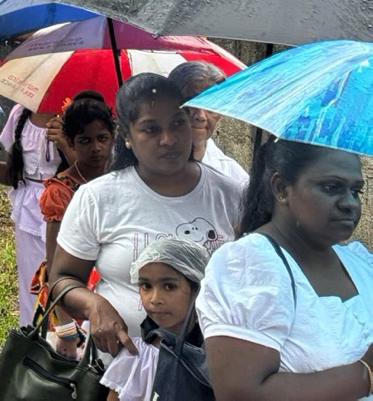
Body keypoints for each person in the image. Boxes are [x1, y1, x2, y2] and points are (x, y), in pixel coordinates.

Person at [50, 73, 244, 358]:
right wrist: (94, 305)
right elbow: (62, 279)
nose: (168, 139)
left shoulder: (233, 196)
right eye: (151, 129)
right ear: (127, 136)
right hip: (121, 370)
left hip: (210, 372)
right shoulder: (98, 198)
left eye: (178, 123)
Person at [198, 139, 373, 400]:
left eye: (355, 191)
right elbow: (241, 393)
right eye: (331, 187)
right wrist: (365, 374)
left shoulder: (359, 262)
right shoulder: (250, 266)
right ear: (281, 189)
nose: (350, 203)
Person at [38, 90, 115, 356]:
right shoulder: (61, 192)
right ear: (69, 142)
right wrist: (67, 330)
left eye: (102, 138)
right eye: (85, 140)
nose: (96, 148)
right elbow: (55, 268)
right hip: (76, 306)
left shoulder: (124, 180)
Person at [0, 103, 64, 326]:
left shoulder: (74, 114)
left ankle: (68, 346)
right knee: (32, 282)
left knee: (62, 279)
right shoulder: (20, 114)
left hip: (65, 209)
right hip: (29, 213)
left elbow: (91, 168)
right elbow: (11, 174)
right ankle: (34, 344)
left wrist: (67, 143)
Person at [101, 237, 212, 401]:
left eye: (169, 286)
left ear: (197, 288)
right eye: (146, 286)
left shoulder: (212, 356)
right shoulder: (137, 355)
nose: (155, 298)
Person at [172, 60, 249, 190]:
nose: (201, 116)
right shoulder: (143, 165)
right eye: (191, 102)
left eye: (211, 105)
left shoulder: (234, 178)